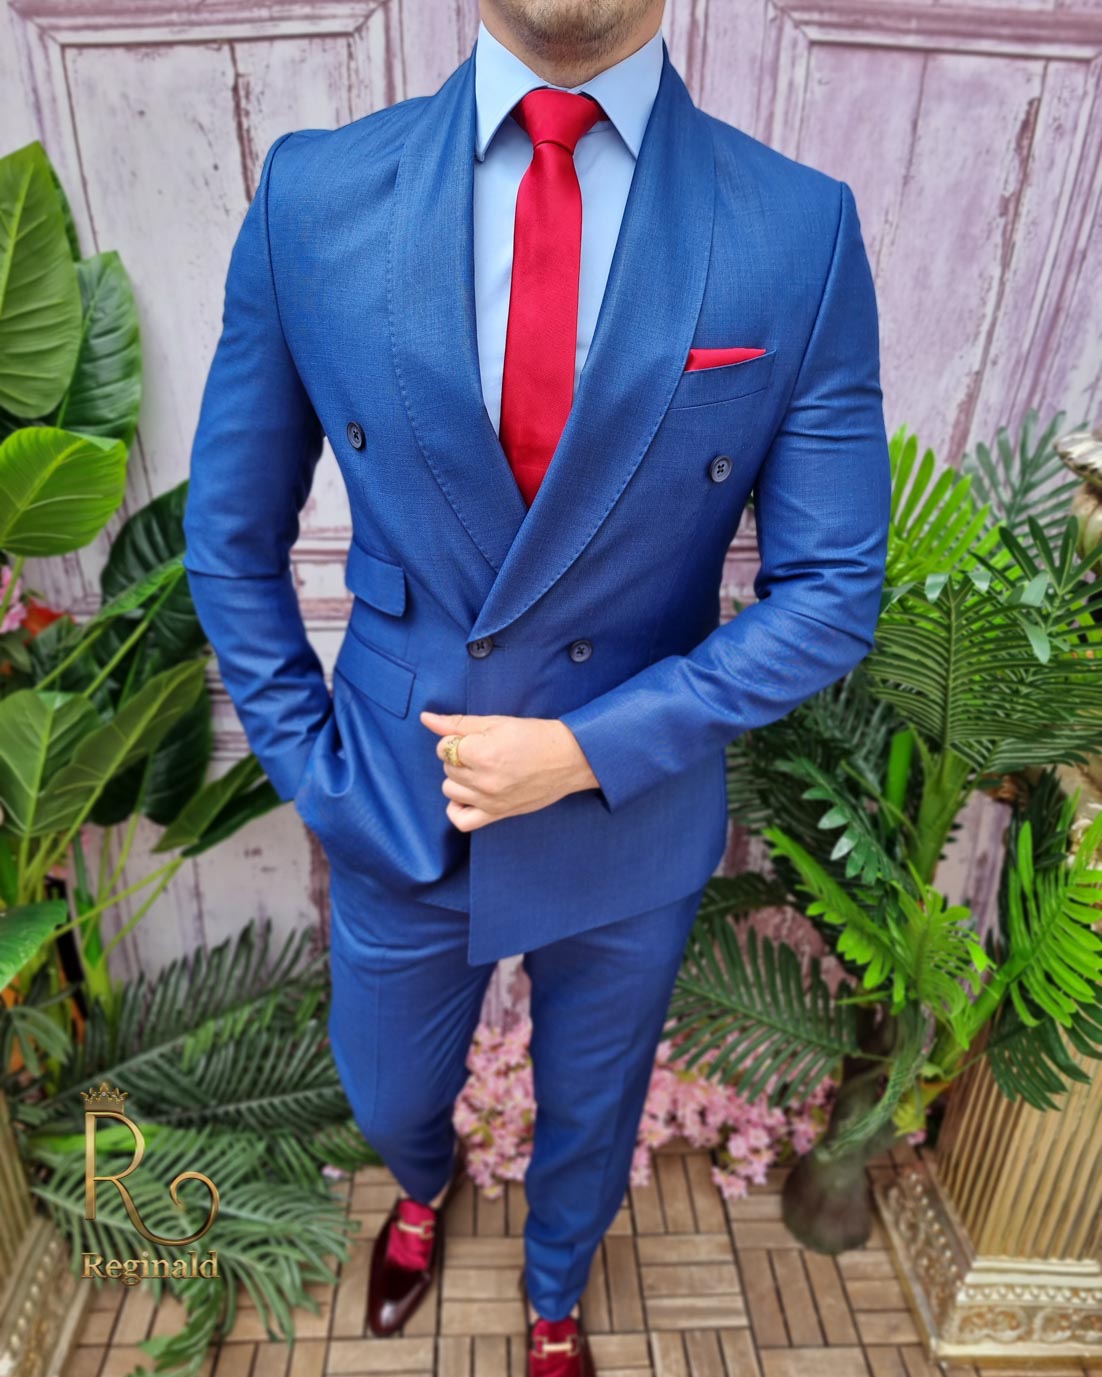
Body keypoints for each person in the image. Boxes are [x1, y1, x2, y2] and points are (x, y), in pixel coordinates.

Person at [184, 0, 891, 1370]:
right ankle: (422, 1184)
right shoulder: (315, 195)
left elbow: (830, 591)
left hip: (631, 805)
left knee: (592, 1107)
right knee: (388, 1090)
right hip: (396, 789)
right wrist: (312, 765)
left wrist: (583, 752)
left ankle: (555, 1290)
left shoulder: (795, 228)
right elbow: (228, 532)